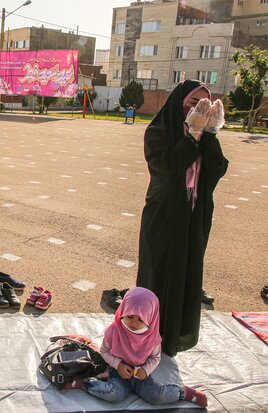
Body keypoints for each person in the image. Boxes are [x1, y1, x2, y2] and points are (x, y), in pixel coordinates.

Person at [136, 79, 228, 357]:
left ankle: (175, 335)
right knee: (159, 272)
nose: (199, 108)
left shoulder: (205, 135)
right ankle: (145, 334)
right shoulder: (159, 131)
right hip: (163, 215)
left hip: (194, 215)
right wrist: (192, 137)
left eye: (205, 103)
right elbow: (167, 168)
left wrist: (208, 133)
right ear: (179, 102)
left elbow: (217, 170)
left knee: (187, 272)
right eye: (193, 102)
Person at [74, 288, 207, 407]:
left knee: (156, 397)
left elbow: (155, 358)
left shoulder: (152, 338)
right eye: (130, 316)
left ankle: (183, 393)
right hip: (117, 372)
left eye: (140, 319)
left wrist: (145, 370)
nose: (134, 322)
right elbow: (104, 351)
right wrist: (119, 365)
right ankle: (83, 383)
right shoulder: (114, 331)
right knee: (114, 395)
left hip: (140, 375)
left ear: (151, 318)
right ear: (123, 310)